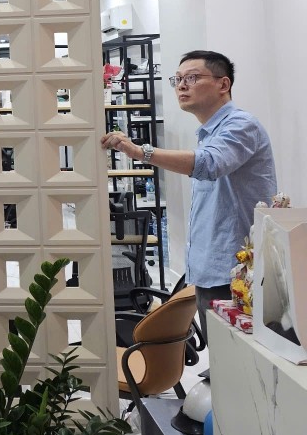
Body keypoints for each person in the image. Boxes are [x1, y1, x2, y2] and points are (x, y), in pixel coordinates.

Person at [101, 49, 276, 341]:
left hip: (239, 274)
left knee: (236, 358)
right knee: (222, 357)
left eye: (192, 78)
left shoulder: (241, 125)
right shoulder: (209, 133)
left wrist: (140, 152)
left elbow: (209, 164)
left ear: (223, 84)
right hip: (213, 270)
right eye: (177, 79)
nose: (182, 86)